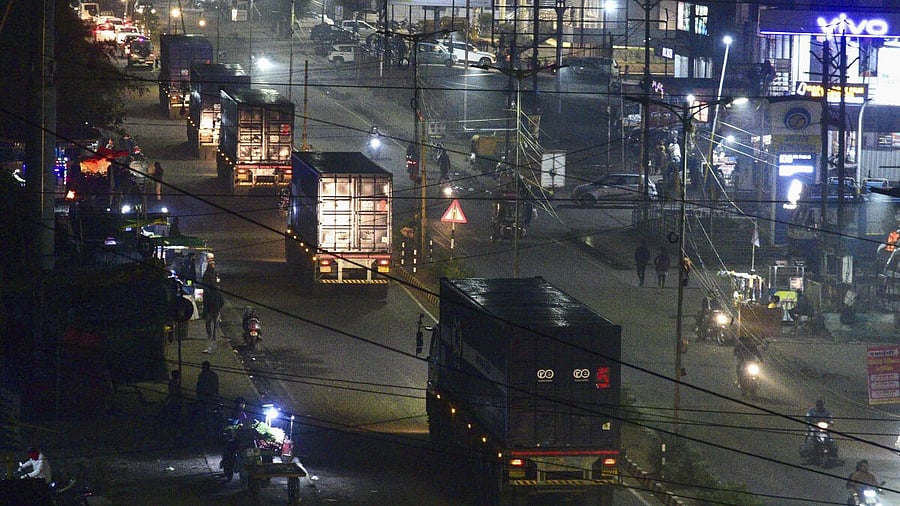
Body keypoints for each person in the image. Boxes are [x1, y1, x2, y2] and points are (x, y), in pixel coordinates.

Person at [196, 360, 220, 435]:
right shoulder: (213, 375)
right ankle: (209, 430)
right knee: (208, 415)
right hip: (209, 398)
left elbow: (199, 387)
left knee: (207, 415)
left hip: (206, 399)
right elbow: (216, 387)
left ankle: (208, 430)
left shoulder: (203, 375)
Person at [164, 369, 183, 436]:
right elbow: (175, 393)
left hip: (173, 402)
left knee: (173, 417)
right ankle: (174, 432)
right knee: (175, 417)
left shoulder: (173, 383)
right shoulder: (174, 383)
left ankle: (173, 431)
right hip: (174, 402)